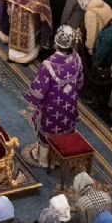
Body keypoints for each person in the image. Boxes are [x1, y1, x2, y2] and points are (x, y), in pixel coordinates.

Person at [23, 25, 84, 164]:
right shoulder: (76, 58)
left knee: (46, 129)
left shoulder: (48, 64)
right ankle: (58, 158)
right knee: (65, 128)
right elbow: (80, 82)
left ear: (56, 41)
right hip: (69, 106)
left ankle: (44, 160)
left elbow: (39, 90)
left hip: (52, 108)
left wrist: (34, 101)